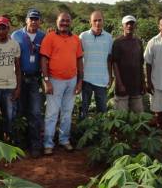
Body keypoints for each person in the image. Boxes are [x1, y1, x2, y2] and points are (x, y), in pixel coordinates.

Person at [40, 12, 83, 155]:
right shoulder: (50, 37)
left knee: (67, 113)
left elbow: (79, 60)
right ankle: (48, 143)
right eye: (62, 21)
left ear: (71, 22)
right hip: (54, 80)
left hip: (71, 80)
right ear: (57, 22)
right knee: (52, 113)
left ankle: (64, 140)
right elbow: (44, 60)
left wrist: (79, 82)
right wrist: (46, 81)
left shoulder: (76, 39)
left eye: (67, 21)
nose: (64, 23)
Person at [11, 9, 46, 157]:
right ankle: (19, 144)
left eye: (36, 19)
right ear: (26, 20)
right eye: (31, 19)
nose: (34, 21)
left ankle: (35, 145)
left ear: (40, 21)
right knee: (18, 111)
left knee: (36, 113)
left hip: (35, 79)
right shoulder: (16, 35)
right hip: (18, 78)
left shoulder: (43, 36)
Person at [79, 11, 113, 119]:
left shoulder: (108, 37)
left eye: (99, 20)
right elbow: (78, 58)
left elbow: (109, 59)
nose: (97, 23)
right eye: (95, 20)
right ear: (90, 22)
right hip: (86, 79)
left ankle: (101, 133)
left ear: (103, 21)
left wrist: (110, 75)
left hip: (101, 79)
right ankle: (83, 132)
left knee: (102, 110)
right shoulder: (83, 36)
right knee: (83, 109)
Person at [111, 15, 145, 113]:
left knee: (139, 115)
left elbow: (140, 63)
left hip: (136, 85)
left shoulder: (138, 42)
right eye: (127, 24)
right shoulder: (118, 42)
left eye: (132, 23)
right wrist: (120, 83)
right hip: (122, 86)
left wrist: (143, 82)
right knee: (121, 115)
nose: (129, 26)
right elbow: (115, 64)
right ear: (123, 26)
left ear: (135, 26)